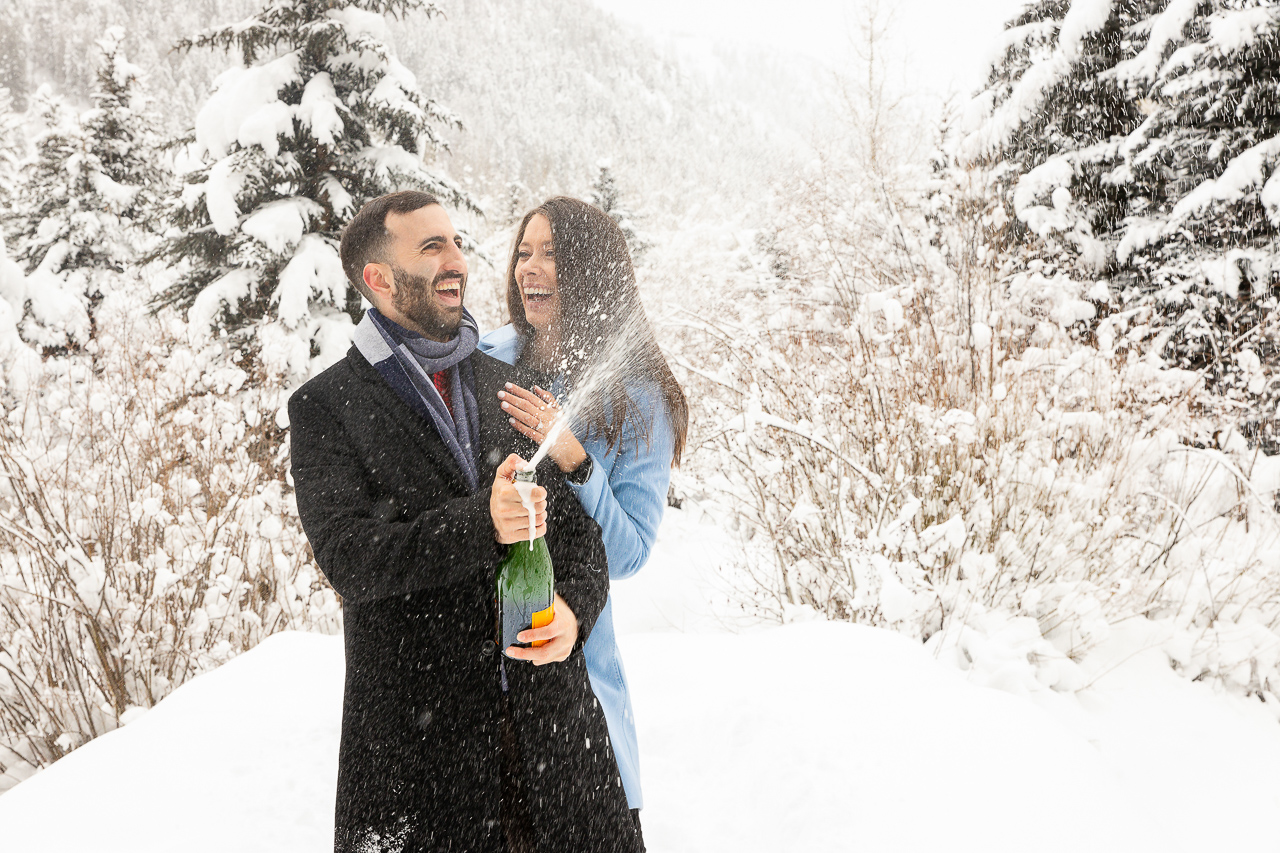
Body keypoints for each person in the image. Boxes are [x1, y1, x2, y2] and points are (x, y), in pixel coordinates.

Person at [288, 191, 640, 853]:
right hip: (423, 765)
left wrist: (574, 612)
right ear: (380, 280)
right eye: (432, 248)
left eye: (454, 242)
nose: (458, 261)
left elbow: (579, 539)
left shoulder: (503, 382)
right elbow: (351, 558)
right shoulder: (327, 406)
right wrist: (483, 522)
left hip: (555, 745)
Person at [479, 196, 689, 841]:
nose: (529, 269)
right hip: (478, 690)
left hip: (577, 684)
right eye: (523, 252)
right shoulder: (487, 357)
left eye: (551, 254)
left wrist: (574, 458)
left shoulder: (637, 397)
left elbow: (627, 556)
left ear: (590, 270)